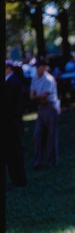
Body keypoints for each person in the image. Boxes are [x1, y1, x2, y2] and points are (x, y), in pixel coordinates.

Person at [30, 58, 60, 169]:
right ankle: (38, 161)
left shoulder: (49, 79)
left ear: (44, 67)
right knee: (37, 135)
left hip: (50, 107)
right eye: (37, 66)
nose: (38, 68)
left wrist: (35, 97)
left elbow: (43, 98)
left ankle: (52, 161)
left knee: (51, 135)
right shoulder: (34, 78)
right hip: (41, 108)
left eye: (40, 66)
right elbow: (31, 96)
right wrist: (37, 97)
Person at [5, 61, 27, 189]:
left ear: (8, 69)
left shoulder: (12, 82)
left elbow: (9, 104)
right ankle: (17, 179)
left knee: (14, 153)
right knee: (12, 153)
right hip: (11, 124)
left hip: (11, 124)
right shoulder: (12, 81)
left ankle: (19, 180)